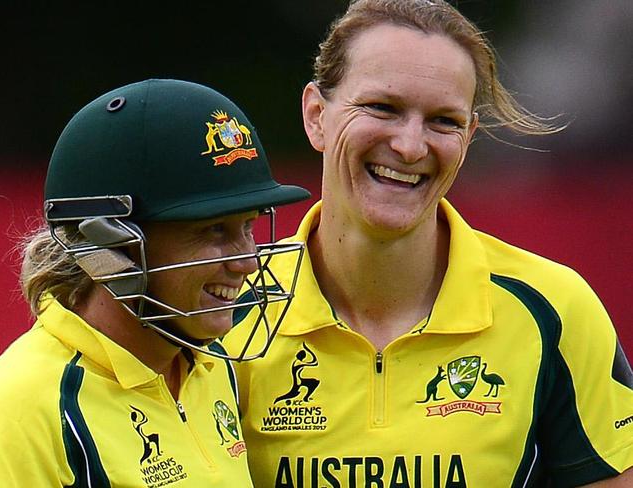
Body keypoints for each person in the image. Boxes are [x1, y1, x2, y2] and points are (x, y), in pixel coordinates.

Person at [223, 1, 633, 486]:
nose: (411, 146)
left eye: (443, 121)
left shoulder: (553, 308)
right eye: (382, 108)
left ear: (469, 138)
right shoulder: (227, 306)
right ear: (317, 116)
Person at [0, 79, 310, 486]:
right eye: (213, 231)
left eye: (248, 226)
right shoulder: (24, 408)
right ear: (108, 245)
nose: (245, 262)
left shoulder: (210, 367)